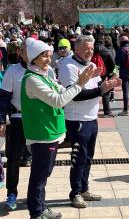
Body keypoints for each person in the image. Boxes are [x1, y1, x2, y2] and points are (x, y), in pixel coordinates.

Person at [21, 38, 96, 219]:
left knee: (44, 175)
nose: (49, 59)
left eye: (48, 55)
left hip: (51, 133)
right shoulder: (32, 79)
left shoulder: (44, 76)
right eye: (44, 56)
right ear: (33, 58)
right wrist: (79, 83)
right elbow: (59, 100)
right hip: (41, 134)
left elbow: (62, 91)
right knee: (39, 176)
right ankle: (36, 212)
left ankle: (41, 207)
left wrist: (81, 81)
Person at [58, 35, 121, 208]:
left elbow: (97, 87)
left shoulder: (92, 65)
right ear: (76, 48)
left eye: (92, 49)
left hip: (92, 117)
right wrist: (101, 90)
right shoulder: (68, 66)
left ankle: (84, 188)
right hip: (77, 118)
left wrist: (108, 85)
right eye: (86, 49)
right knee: (78, 157)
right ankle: (75, 193)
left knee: (88, 157)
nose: (90, 52)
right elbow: (75, 94)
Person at [0, 41, 33, 210]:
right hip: (18, 119)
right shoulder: (12, 71)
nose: (28, 53)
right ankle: (11, 193)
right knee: (13, 159)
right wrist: (1, 121)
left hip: (38, 122)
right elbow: (4, 98)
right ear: (20, 52)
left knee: (41, 162)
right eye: (25, 50)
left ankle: (35, 193)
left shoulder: (45, 70)